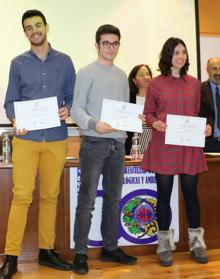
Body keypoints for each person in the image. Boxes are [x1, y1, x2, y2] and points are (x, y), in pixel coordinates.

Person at [0, 9, 75, 278]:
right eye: (29, 27)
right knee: (21, 197)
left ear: (46, 26)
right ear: (25, 32)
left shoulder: (65, 61)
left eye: (38, 25)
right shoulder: (17, 63)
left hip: (56, 138)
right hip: (26, 139)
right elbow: (10, 100)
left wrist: (68, 109)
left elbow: (71, 97)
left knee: (50, 197)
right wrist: (14, 117)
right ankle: (11, 256)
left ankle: (46, 251)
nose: (35, 30)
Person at [70, 24, 137, 275]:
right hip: (94, 142)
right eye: (106, 43)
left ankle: (110, 247)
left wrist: (133, 118)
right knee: (86, 201)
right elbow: (77, 109)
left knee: (113, 199)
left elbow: (122, 112)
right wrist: (94, 124)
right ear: (97, 44)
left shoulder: (121, 75)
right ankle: (80, 253)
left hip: (118, 144)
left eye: (115, 43)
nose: (111, 47)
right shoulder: (86, 72)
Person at [142, 37, 212, 267]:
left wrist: (206, 126)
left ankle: (196, 242)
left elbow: (201, 113)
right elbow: (148, 113)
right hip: (163, 144)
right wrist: (154, 123)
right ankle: (163, 244)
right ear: (167, 56)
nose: (180, 56)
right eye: (175, 52)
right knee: (163, 194)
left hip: (189, 145)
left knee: (191, 193)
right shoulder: (155, 84)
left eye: (183, 52)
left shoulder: (194, 83)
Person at [125, 64, 153, 155]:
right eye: (141, 75)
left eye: (148, 74)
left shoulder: (158, 98)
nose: (146, 77)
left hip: (154, 142)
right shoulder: (128, 99)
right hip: (134, 142)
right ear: (134, 81)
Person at [200, 57, 220, 152]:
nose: (218, 72)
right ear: (207, 70)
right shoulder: (199, 89)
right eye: (214, 68)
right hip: (208, 142)